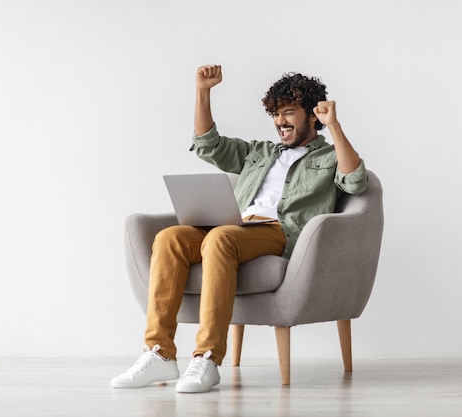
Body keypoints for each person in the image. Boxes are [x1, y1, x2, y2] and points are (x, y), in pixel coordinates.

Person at [111, 64, 368, 393]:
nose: (280, 122)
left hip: (278, 232)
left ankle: (207, 358)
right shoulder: (258, 152)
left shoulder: (330, 155)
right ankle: (159, 352)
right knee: (169, 238)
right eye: (275, 114)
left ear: (313, 115)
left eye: (288, 113)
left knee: (220, 238)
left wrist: (334, 126)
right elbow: (208, 145)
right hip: (236, 226)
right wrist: (203, 92)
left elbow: (356, 181)